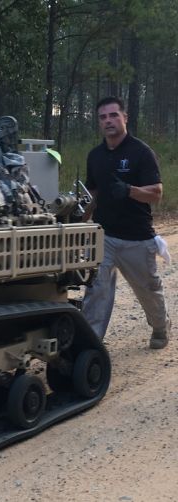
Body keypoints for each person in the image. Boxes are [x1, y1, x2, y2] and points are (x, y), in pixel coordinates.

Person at [81, 96, 171, 349]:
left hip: (137, 238)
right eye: (103, 117)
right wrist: (78, 220)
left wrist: (130, 190)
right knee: (96, 290)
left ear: (124, 118)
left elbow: (156, 193)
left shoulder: (141, 152)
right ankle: (90, 344)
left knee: (148, 291)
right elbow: (92, 194)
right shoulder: (95, 155)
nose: (108, 121)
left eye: (113, 115)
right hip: (104, 236)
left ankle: (161, 327)